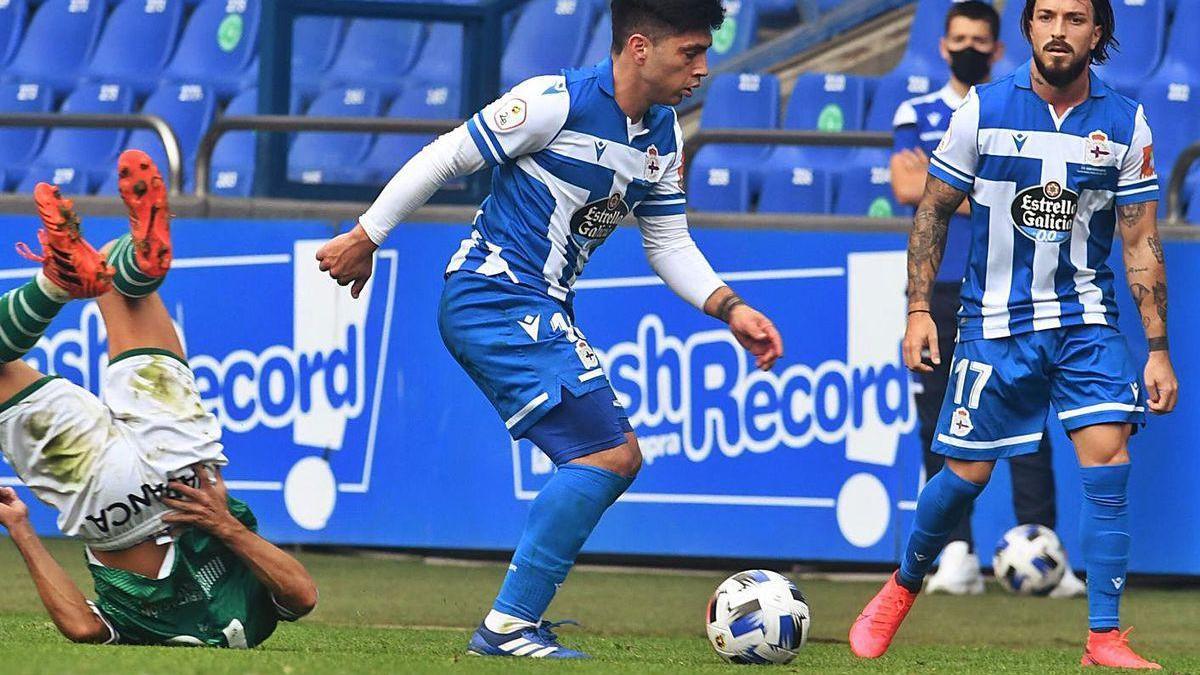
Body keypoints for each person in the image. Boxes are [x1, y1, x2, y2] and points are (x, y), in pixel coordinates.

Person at [315, 0, 783, 660]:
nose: (703, 69)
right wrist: (367, 235)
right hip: (493, 294)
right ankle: (509, 625)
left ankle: (512, 621)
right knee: (608, 453)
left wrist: (730, 307)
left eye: (705, 53)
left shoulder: (664, 136)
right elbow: (446, 157)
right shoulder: (551, 102)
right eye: (691, 53)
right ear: (641, 47)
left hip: (539, 306)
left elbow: (669, 241)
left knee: (609, 454)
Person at [852, 0, 1176, 669]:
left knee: (1109, 462)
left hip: (1087, 321)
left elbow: (1141, 240)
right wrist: (918, 309)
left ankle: (1104, 637)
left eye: (1076, 17)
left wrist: (1158, 348)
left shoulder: (1124, 122)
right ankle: (904, 583)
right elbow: (934, 210)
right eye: (1047, 15)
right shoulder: (981, 109)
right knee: (964, 475)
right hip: (993, 324)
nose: (1060, 29)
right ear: (1027, 28)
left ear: (1099, 32)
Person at [0, 151, 319, 648]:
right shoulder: (150, 633)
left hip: (184, 468)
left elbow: (301, 597)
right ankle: (59, 281)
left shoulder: (256, 622)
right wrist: (20, 529)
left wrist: (227, 527)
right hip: (112, 505)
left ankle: (63, 280)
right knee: (111, 280)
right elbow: (84, 628)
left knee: (119, 278)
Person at [891, 0, 1084, 599]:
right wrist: (989, 191)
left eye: (980, 39)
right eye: (959, 38)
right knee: (939, 422)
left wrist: (955, 186)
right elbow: (906, 187)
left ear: (999, 48)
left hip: (1015, 287)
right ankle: (955, 554)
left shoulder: (1021, 107)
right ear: (944, 45)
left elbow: (1034, 194)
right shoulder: (915, 109)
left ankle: (1043, 550)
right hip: (942, 285)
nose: (969, 47)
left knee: (1027, 419)